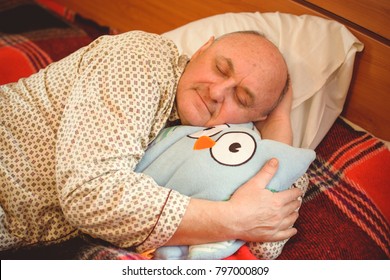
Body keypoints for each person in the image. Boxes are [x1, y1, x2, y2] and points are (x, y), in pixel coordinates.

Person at [0, 30, 302, 255]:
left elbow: (265, 238)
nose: (217, 92)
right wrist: (234, 218)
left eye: (242, 97)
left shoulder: (212, 140)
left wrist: (278, 121)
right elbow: (90, 193)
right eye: (220, 69)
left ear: (256, 117)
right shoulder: (140, 58)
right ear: (201, 50)